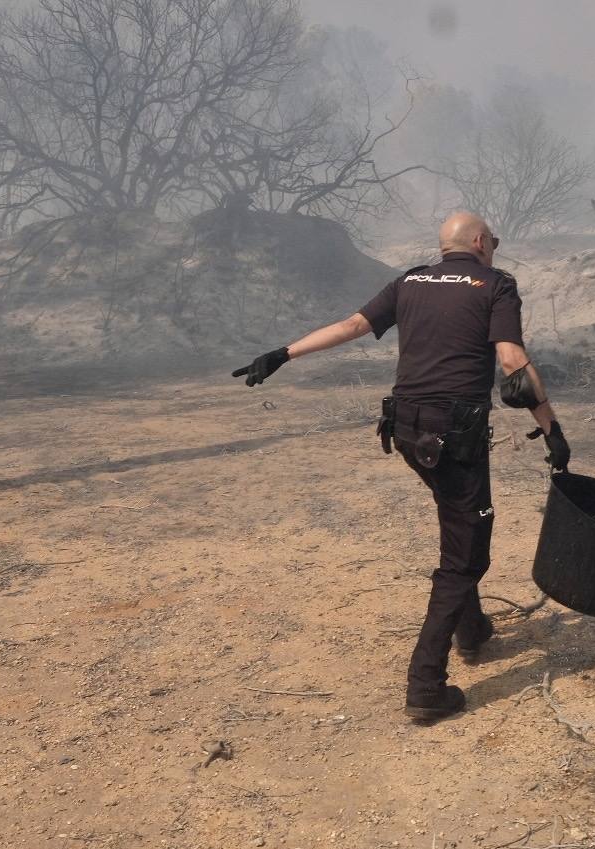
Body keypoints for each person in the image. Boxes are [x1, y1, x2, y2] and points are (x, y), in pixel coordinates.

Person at [232, 212, 570, 721]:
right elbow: (511, 360)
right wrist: (552, 430)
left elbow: (352, 326)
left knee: (459, 520)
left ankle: (472, 631)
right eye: (493, 241)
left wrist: (283, 353)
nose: (494, 248)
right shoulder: (496, 285)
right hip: (455, 433)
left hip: (408, 430)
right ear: (480, 242)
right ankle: (426, 684)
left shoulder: (410, 280)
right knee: (466, 556)